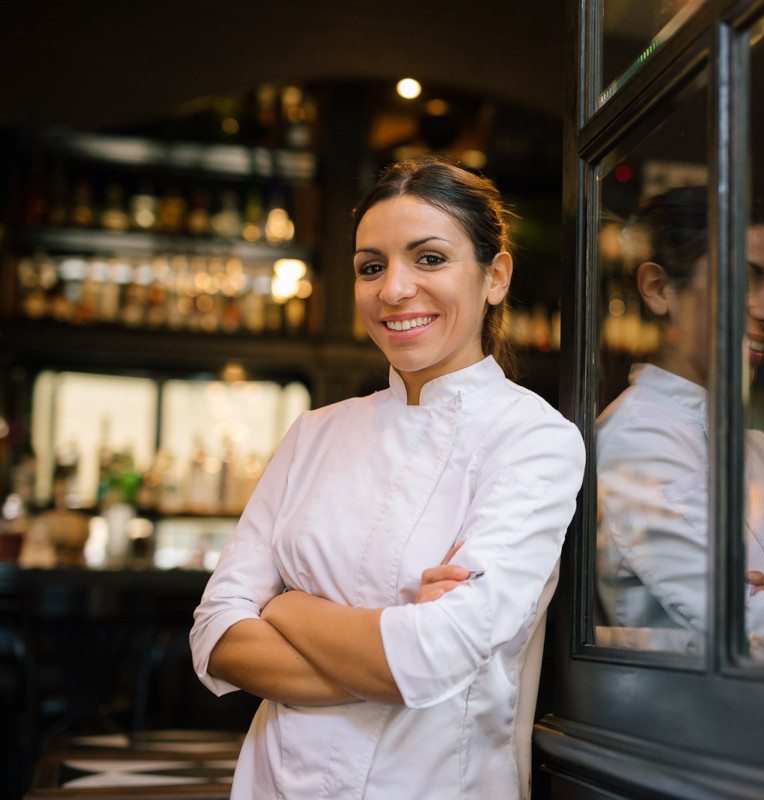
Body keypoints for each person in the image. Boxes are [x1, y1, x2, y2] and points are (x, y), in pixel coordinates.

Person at [190, 157, 585, 799]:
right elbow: (215, 635)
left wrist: (284, 606)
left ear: (496, 277)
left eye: (429, 258)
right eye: (371, 266)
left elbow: (434, 654)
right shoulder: (314, 433)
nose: (394, 289)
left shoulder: (534, 439)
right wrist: (387, 653)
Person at [595, 185, 764, 662]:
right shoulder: (636, 436)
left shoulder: (756, 447)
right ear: (659, 289)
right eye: (744, 278)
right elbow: (756, 635)